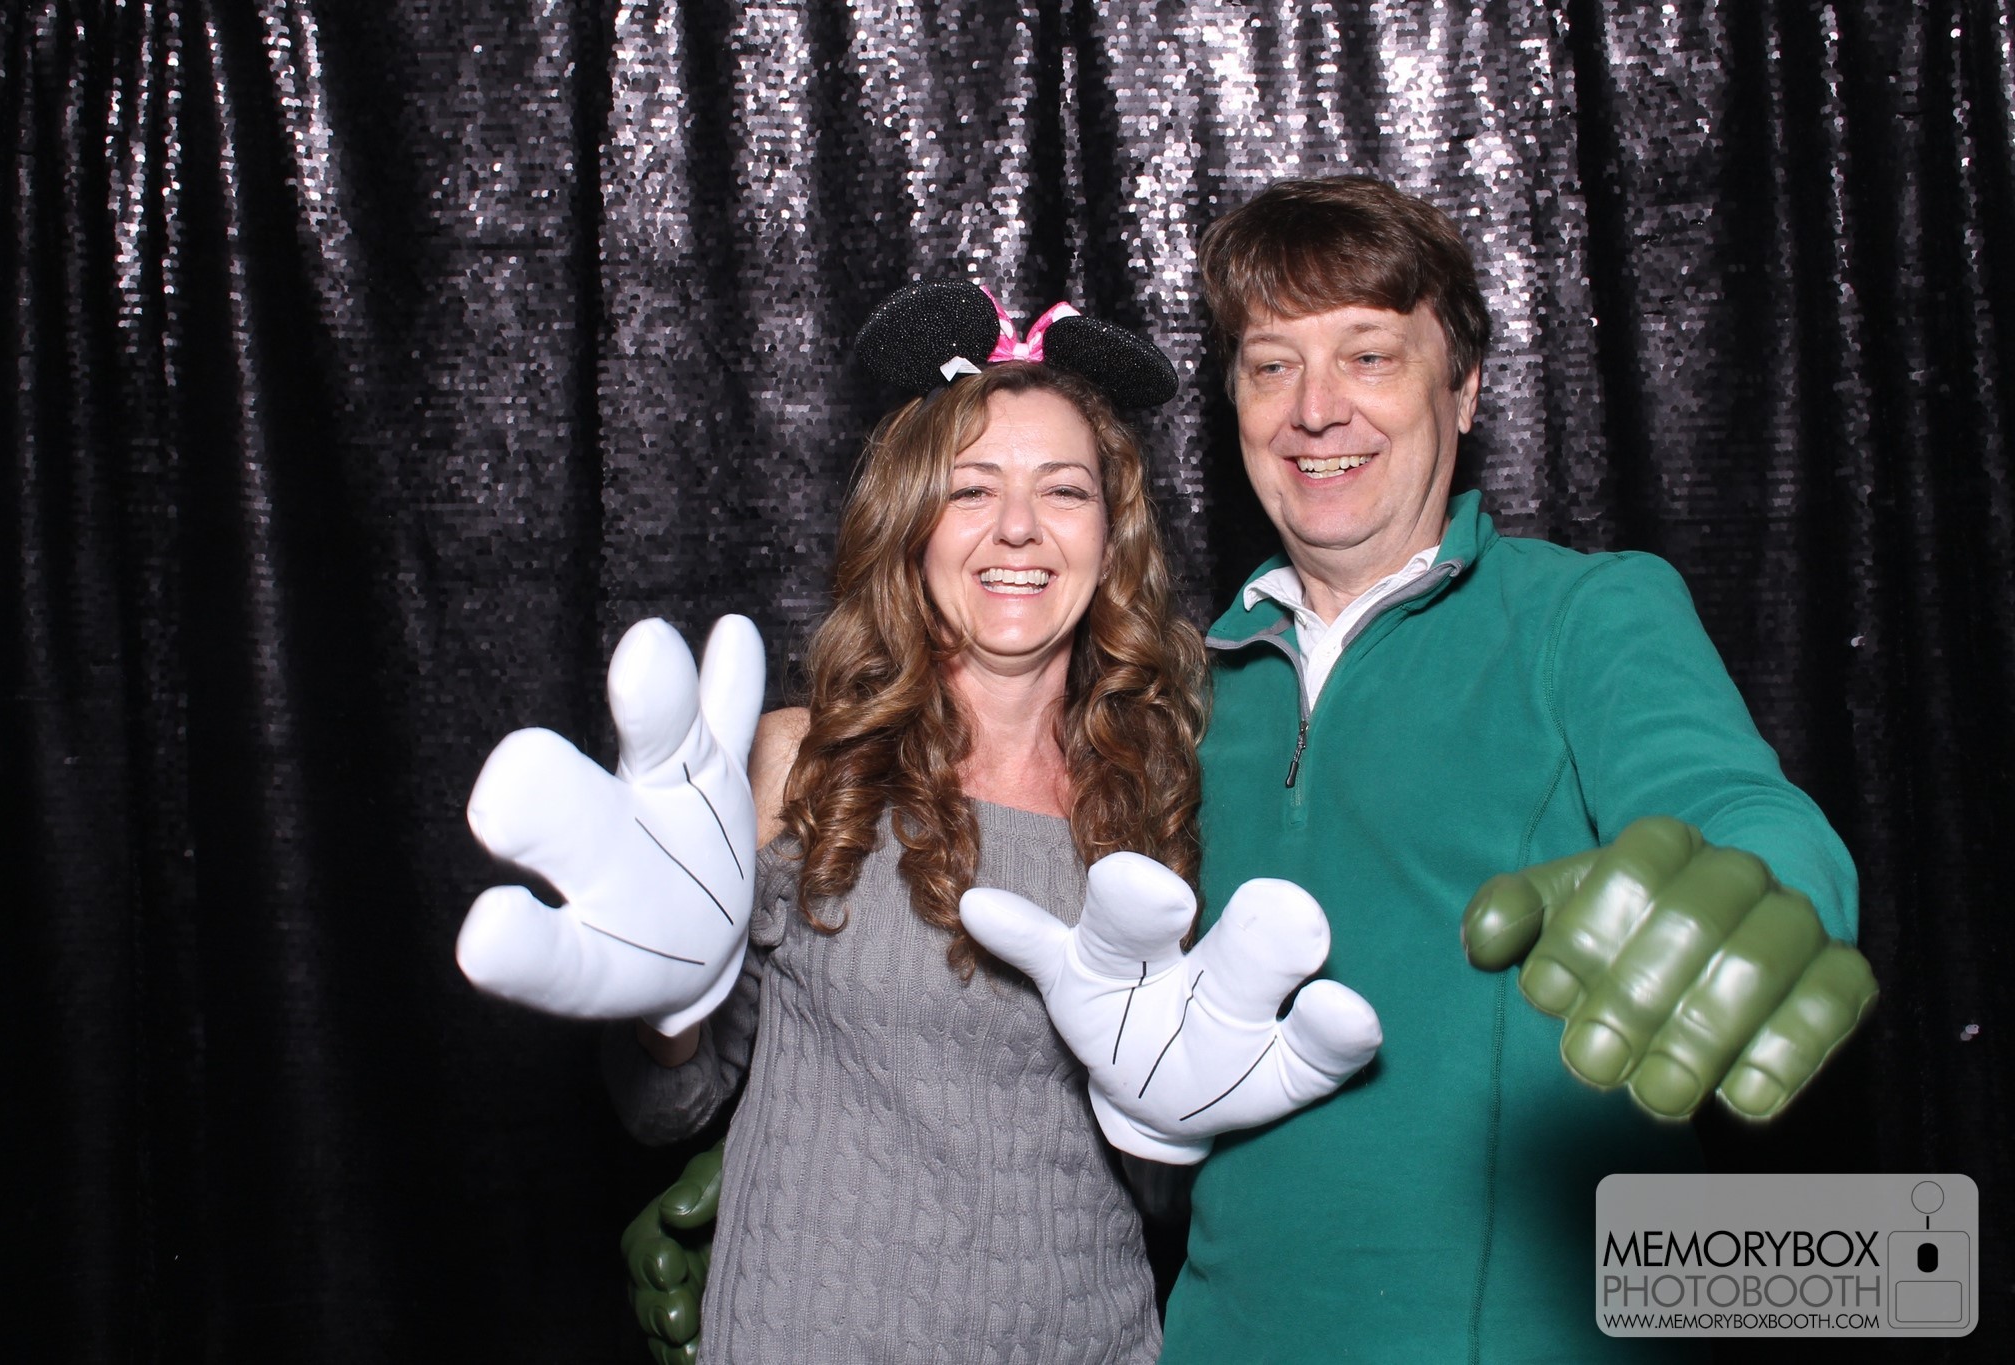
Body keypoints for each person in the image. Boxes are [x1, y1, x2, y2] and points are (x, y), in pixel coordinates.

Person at [1158, 176, 1877, 1363]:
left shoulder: (1584, 616)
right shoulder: (1184, 686)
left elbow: (1737, 811)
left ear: (1463, 388)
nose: (1314, 410)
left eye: (1368, 357)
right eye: (1270, 365)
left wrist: (1759, 894)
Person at [597, 292, 1210, 1364]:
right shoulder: (799, 762)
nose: (1017, 527)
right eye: (971, 488)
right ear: (911, 523)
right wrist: (658, 986)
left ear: (1111, 536)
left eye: (1064, 489)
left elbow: (1166, 1185)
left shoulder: (1159, 795)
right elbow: (668, 1103)